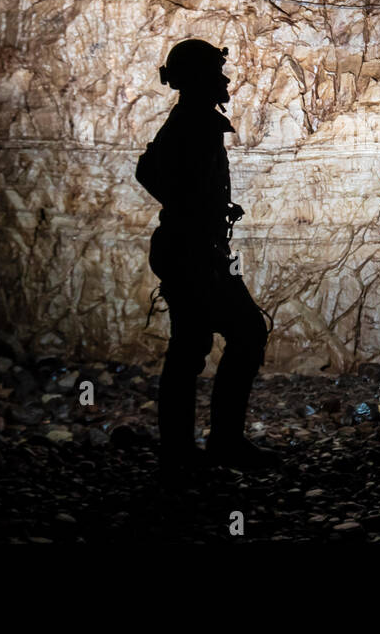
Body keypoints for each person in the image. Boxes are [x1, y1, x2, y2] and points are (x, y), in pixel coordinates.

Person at [136, 38, 280, 472]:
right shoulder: (192, 123)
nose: (225, 78)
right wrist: (194, 210)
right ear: (199, 77)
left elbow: (148, 170)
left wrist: (202, 206)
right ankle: (219, 445)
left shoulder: (190, 120)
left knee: (191, 344)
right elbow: (154, 173)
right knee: (246, 332)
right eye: (216, 71)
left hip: (189, 246)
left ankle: (182, 451)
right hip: (194, 251)